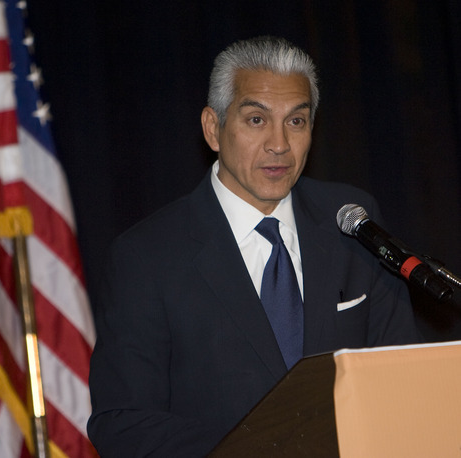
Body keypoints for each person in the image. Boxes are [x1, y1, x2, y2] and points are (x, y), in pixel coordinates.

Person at [87, 36, 421, 457]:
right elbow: (123, 422)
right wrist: (260, 446)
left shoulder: (351, 220)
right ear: (213, 128)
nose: (279, 144)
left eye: (296, 122)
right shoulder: (147, 256)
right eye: (257, 120)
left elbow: (402, 375)